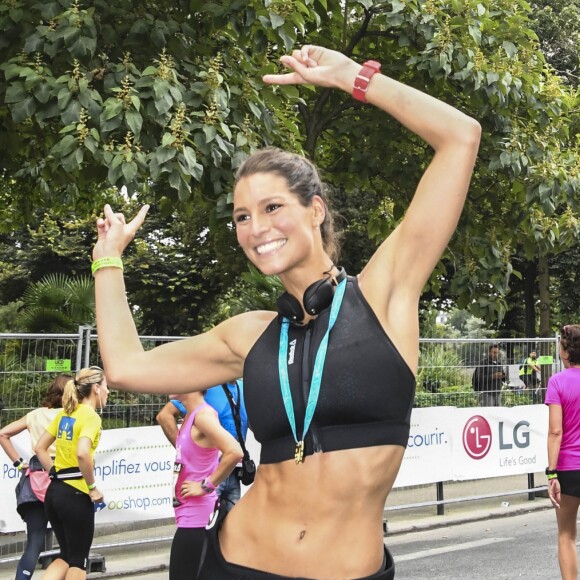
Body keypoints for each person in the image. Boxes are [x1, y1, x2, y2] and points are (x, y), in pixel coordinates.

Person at [92, 45, 481, 579]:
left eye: (273, 207)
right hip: (234, 562)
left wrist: (353, 79)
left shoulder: (383, 295)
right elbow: (126, 368)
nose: (257, 228)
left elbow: (461, 137)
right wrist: (107, 259)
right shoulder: (250, 335)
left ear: (315, 209)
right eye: (242, 217)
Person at [35, 367, 109, 580]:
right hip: (76, 495)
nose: (108, 392)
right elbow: (83, 453)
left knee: (66, 556)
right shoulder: (91, 417)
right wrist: (92, 488)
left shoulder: (65, 413)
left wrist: (56, 474)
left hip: (55, 493)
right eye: (105, 387)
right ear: (96, 388)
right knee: (78, 561)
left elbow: (40, 448)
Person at [0, 374, 69, 580]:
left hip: (34, 479)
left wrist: (19, 464)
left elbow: (3, 434)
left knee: (34, 543)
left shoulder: (35, 415)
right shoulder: (71, 416)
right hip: (63, 479)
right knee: (71, 545)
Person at [168, 390, 242, 580]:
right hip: (188, 516)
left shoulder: (203, 416)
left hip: (197, 518)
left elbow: (234, 451)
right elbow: (212, 453)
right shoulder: (191, 416)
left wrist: (206, 485)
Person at [157, 381, 249, 511]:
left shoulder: (244, 387)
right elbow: (164, 416)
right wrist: (187, 450)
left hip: (233, 469)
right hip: (209, 472)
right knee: (204, 525)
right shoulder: (207, 386)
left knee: (230, 528)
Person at [545, 325, 580, 580]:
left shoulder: (557, 382)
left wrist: (551, 474)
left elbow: (555, 432)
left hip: (568, 468)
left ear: (566, 352)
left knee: (566, 535)